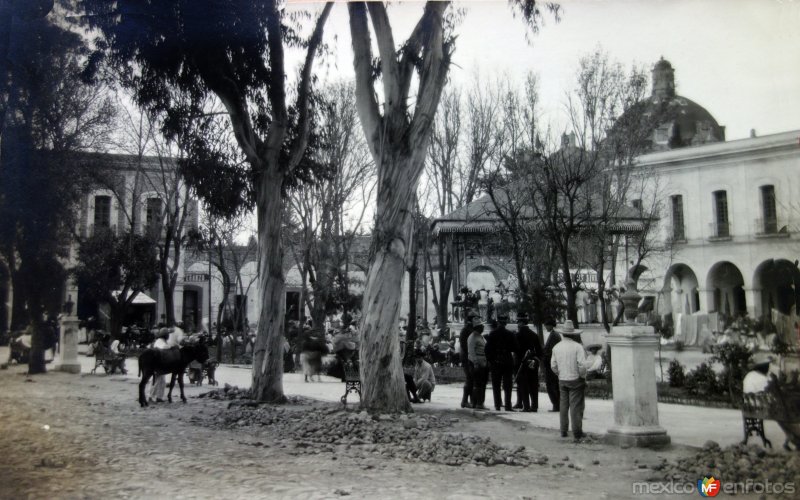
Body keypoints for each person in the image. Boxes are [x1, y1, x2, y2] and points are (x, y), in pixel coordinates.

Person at [550, 320, 588, 441]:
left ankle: (563, 430)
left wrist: (559, 373)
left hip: (562, 379)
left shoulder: (556, 347)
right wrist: (582, 377)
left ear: (562, 334)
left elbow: (553, 365)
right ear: (573, 334)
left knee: (563, 405)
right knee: (576, 406)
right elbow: (582, 365)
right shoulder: (578, 347)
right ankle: (577, 432)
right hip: (575, 379)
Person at [485, 315, 517, 411]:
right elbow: (515, 348)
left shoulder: (492, 334)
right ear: (505, 323)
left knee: (496, 384)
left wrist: (491, 360)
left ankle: (497, 404)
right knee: (508, 384)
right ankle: (508, 405)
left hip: (496, 360)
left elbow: (487, 349)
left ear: (498, 322)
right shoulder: (510, 334)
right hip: (507, 360)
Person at [514, 313, 543, 412]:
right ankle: (534, 406)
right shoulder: (534, 335)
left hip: (521, 364)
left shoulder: (517, 335)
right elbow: (540, 352)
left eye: (518, 322)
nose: (517, 324)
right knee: (533, 384)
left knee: (523, 384)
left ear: (521, 323)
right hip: (533, 363)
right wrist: (535, 361)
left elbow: (515, 350)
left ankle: (526, 406)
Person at [467, 320, 488, 410]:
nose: (483, 328)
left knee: (482, 383)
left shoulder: (480, 336)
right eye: (481, 326)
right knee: (478, 384)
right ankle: (477, 402)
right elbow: (471, 352)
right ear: (477, 327)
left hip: (483, 361)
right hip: (476, 363)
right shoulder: (472, 337)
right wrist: (475, 363)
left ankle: (480, 402)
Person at [543, 318, 561, 412]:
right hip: (552, 363)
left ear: (550, 325)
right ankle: (557, 405)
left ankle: (556, 405)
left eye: (546, 325)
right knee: (554, 385)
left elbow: (552, 351)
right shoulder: (554, 334)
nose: (545, 327)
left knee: (551, 385)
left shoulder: (554, 335)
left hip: (551, 363)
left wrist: (544, 354)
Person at [458, 314, 477, 408]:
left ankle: (471, 400)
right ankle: (465, 400)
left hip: (467, 356)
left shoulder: (469, 329)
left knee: (471, 378)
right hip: (467, 357)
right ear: (471, 320)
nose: (477, 320)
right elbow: (465, 345)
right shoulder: (467, 330)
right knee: (470, 378)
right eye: (475, 318)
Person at [149, 328, 170, 403]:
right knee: (157, 380)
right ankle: (151, 396)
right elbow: (162, 348)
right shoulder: (160, 342)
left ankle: (159, 397)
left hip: (161, 364)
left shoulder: (162, 341)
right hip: (158, 364)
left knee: (162, 381)